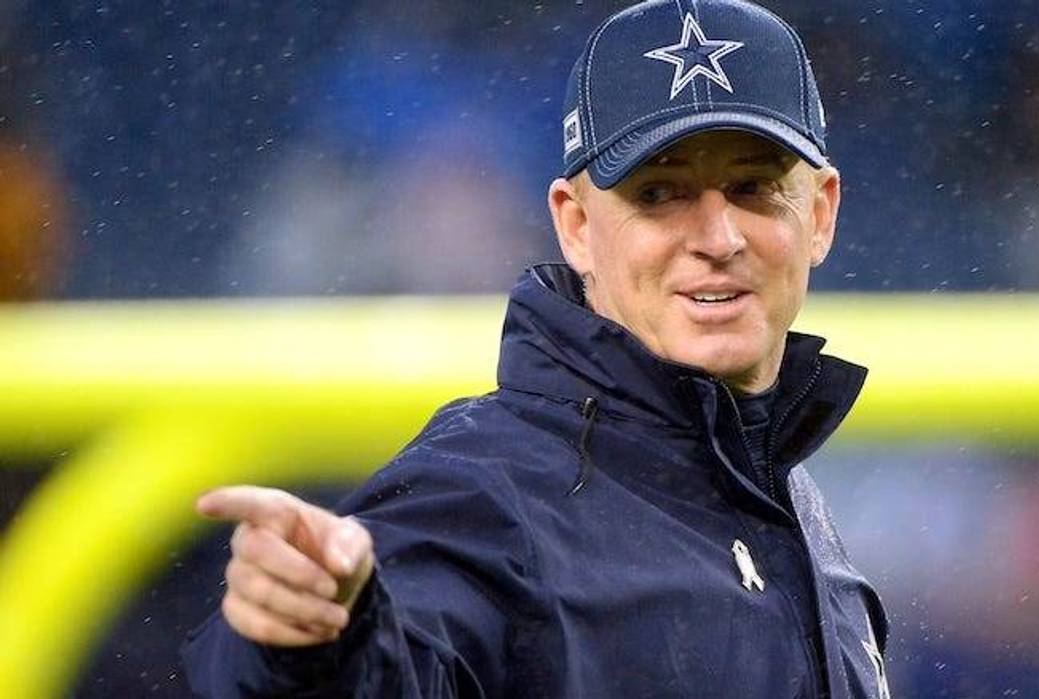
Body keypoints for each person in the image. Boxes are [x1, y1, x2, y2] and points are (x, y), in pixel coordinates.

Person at [181, 1, 890, 697]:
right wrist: (316, 647)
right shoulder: (484, 488)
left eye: (754, 187)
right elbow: (389, 662)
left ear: (820, 213)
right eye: (660, 192)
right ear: (575, 226)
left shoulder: (786, 496)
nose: (718, 237)